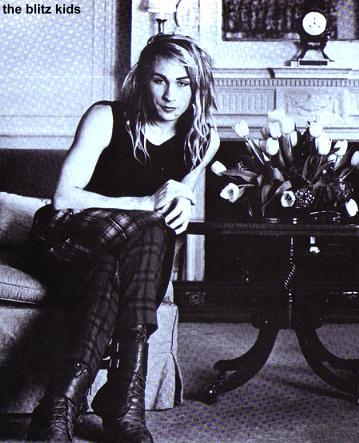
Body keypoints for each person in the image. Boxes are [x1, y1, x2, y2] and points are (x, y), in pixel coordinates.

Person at [26, 34, 220, 442]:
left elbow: (177, 206)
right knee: (149, 226)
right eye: (159, 80)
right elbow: (63, 198)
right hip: (70, 240)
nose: (170, 95)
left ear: (197, 86)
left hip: (127, 260)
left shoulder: (203, 139)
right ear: (143, 80)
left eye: (183, 83)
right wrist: (146, 203)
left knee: (119, 262)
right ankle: (123, 401)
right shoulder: (106, 117)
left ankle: (60, 407)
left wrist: (180, 207)